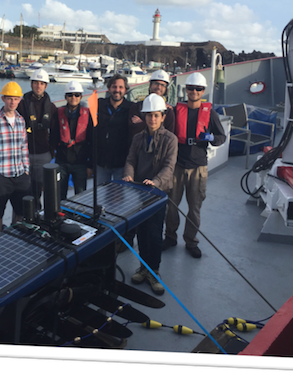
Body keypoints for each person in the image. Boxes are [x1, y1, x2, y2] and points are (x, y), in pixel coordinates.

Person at [163, 72, 226, 258]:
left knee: (194, 207)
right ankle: (170, 237)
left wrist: (211, 138)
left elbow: (221, 137)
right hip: (177, 165)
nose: (194, 92)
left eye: (198, 89)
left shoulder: (210, 113)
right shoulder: (175, 111)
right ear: (186, 90)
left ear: (203, 91)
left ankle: (191, 241)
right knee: (172, 205)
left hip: (198, 167)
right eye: (191, 88)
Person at [122, 94, 178, 295]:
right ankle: (143, 268)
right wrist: (129, 175)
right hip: (138, 193)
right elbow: (130, 160)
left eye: (156, 115)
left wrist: (155, 182)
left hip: (157, 194)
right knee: (141, 232)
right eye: (149, 116)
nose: (152, 119)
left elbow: (168, 167)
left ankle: (154, 271)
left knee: (154, 234)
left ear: (162, 116)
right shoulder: (138, 138)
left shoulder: (171, 140)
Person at [0, 81, 31, 234]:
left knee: (20, 211)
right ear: (3, 99)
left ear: (19, 100)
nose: (13, 102)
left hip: (19, 174)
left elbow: (24, 146)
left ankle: (15, 237)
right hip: (1, 175)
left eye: (16, 99)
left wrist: (26, 170)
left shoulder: (21, 121)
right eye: (9, 98)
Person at [17, 68, 58, 210]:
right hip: (24, 154)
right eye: (36, 83)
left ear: (46, 86)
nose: (38, 86)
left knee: (38, 186)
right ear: (31, 84)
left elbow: (54, 132)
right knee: (24, 187)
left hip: (43, 154)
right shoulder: (21, 105)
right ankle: (23, 214)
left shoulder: (51, 108)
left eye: (42, 83)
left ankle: (36, 212)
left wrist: (51, 152)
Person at [50, 80, 93, 200]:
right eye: (70, 95)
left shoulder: (88, 115)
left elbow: (93, 141)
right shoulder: (58, 114)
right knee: (60, 194)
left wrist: (90, 165)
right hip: (62, 161)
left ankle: (78, 217)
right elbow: (53, 136)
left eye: (76, 95)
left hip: (80, 162)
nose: (73, 97)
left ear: (81, 96)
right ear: (65, 97)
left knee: (80, 195)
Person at [94, 73, 132, 183]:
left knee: (118, 197)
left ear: (125, 90)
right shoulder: (99, 105)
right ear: (109, 88)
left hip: (121, 163)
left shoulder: (131, 108)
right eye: (114, 87)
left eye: (121, 87)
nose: (117, 90)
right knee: (100, 196)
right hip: (101, 162)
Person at [128, 69, 175, 139]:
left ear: (166, 89)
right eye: (156, 84)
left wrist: (142, 123)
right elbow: (132, 130)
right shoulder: (136, 107)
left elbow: (168, 136)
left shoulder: (168, 112)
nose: (159, 87)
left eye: (162, 85)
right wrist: (159, 126)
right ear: (150, 85)